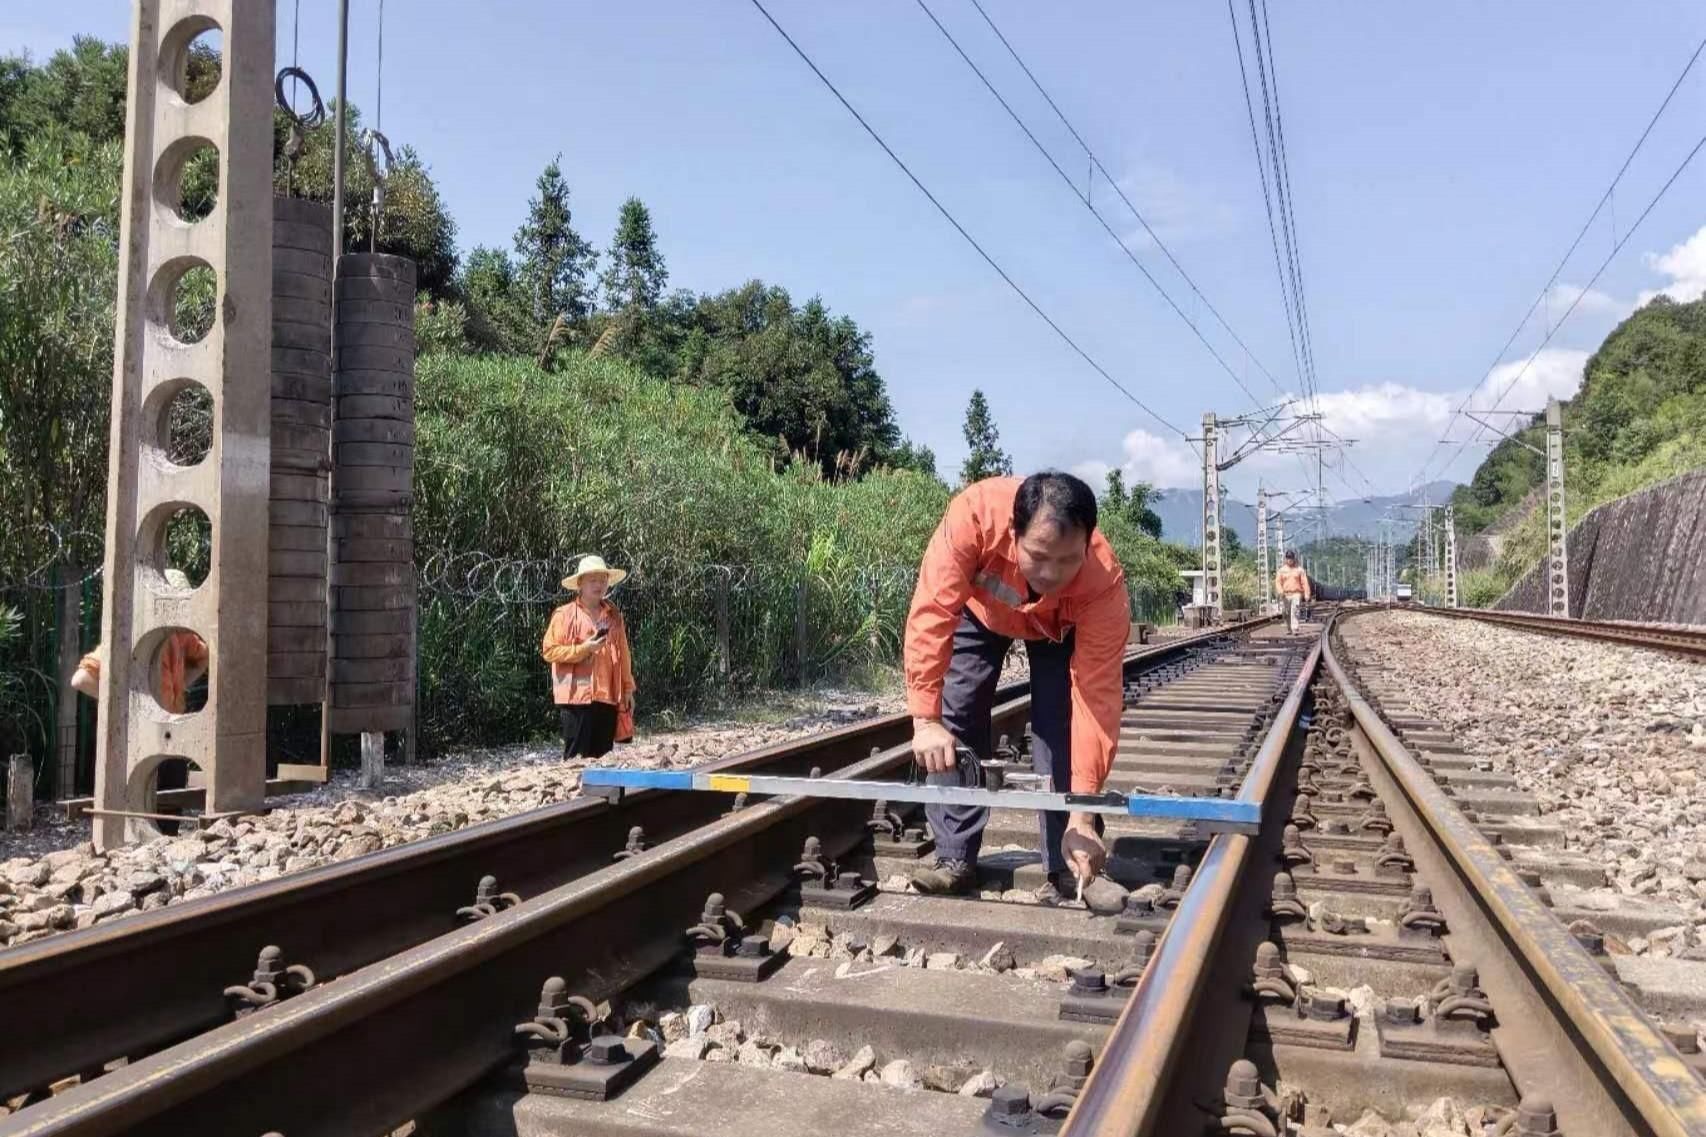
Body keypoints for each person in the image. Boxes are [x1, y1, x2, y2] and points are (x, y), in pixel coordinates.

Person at [903, 471, 1131, 913]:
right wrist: (925, 720)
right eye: (1039, 556)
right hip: (981, 613)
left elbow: (1096, 698)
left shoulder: (1102, 582)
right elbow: (932, 613)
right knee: (959, 706)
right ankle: (953, 857)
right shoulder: (972, 517)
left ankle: (1072, 865)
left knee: (1059, 722)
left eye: (1069, 561)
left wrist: (1083, 809)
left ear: (1088, 544)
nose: (1052, 574)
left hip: (1057, 627)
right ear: (1013, 533)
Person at [541, 555, 636, 759]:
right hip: (575, 699)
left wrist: (627, 689)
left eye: (602, 580)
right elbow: (549, 651)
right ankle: (574, 792)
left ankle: (601, 793)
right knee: (576, 760)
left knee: (602, 761)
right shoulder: (563, 615)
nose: (599, 585)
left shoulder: (614, 616)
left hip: (607, 697)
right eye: (593, 580)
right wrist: (584, 649)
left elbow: (624, 654)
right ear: (580, 584)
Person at [1275, 550, 1312, 633]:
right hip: (1285, 594)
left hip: (1296, 593)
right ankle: (1289, 628)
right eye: (1288, 558)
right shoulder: (1281, 570)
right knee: (1286, 612)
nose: (1290, 560)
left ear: (1294, 558)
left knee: (1295, 610)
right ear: (1285, 559)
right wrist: (1280, 591)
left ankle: (1295, 628)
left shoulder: (1299, 570)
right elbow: (1278, 582)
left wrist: (1307, 594)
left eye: (1291, 558)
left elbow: (1305, 583)